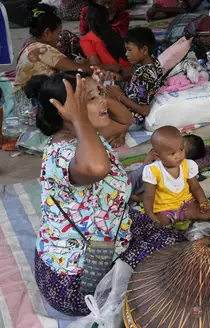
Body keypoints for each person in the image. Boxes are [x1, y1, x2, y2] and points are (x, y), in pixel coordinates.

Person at [31, 71, 184, 316]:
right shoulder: (64, 153)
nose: (102, 100)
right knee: (175, 247)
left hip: (96, 242)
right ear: (67, 113)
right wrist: (80, 116)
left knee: (150, 225)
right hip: (76, 285)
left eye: (99, 94)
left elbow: (125, 121)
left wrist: (100, 93)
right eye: (90, 99)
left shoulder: (85, 135)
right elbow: (97, 168)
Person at [142, 126, 210, 226]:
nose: (179, 155)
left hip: (186, 204)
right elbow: (149, 196)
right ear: (158, 156)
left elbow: (195, 187)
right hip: (164, 209)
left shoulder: (188, 165)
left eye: (181, 149)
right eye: (172, 153)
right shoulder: (152, 170)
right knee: (153, 224)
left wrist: (203, 201)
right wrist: (150, 214)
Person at [104, 27, 164, 129]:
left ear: (144, 50)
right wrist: (122, 79)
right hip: (129, 103)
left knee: (101, 107)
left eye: (129, 50)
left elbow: (145, 111)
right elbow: (141, 85)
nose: (126, 54)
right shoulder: (152, 62)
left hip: (132, 118)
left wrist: (119, 96)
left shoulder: (145, 76)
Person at [80, 4, 131, 73]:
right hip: (132, 69)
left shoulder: (86, 39)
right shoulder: (117, 30)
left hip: (115, 74)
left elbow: (95, 67)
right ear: (107, 18)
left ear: (87, 20)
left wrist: (85, 64)